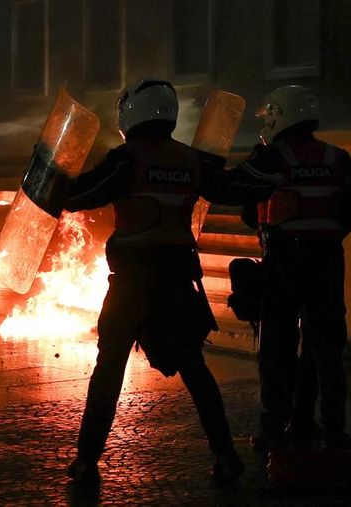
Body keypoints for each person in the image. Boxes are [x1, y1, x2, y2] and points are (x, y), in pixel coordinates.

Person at [63, 79, 275, 487]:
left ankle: (87, 463)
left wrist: (49, 177)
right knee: (196, 370)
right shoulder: (192, 161)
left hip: (131, 284)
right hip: (178, 282)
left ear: (130, 114)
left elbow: (80, 195)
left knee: (108, 370)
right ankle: (226, 456)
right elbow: (235, 188)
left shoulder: (126, 161)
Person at [232, 85, 351, 451]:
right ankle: (329, 429)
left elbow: (245, 202)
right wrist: (334, 230)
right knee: (324, 346)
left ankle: (274, 429)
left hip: (284, 260)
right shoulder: (336, 156)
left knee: (277, 345)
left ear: (280, 116)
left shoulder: (269, 157)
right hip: (327, 260)